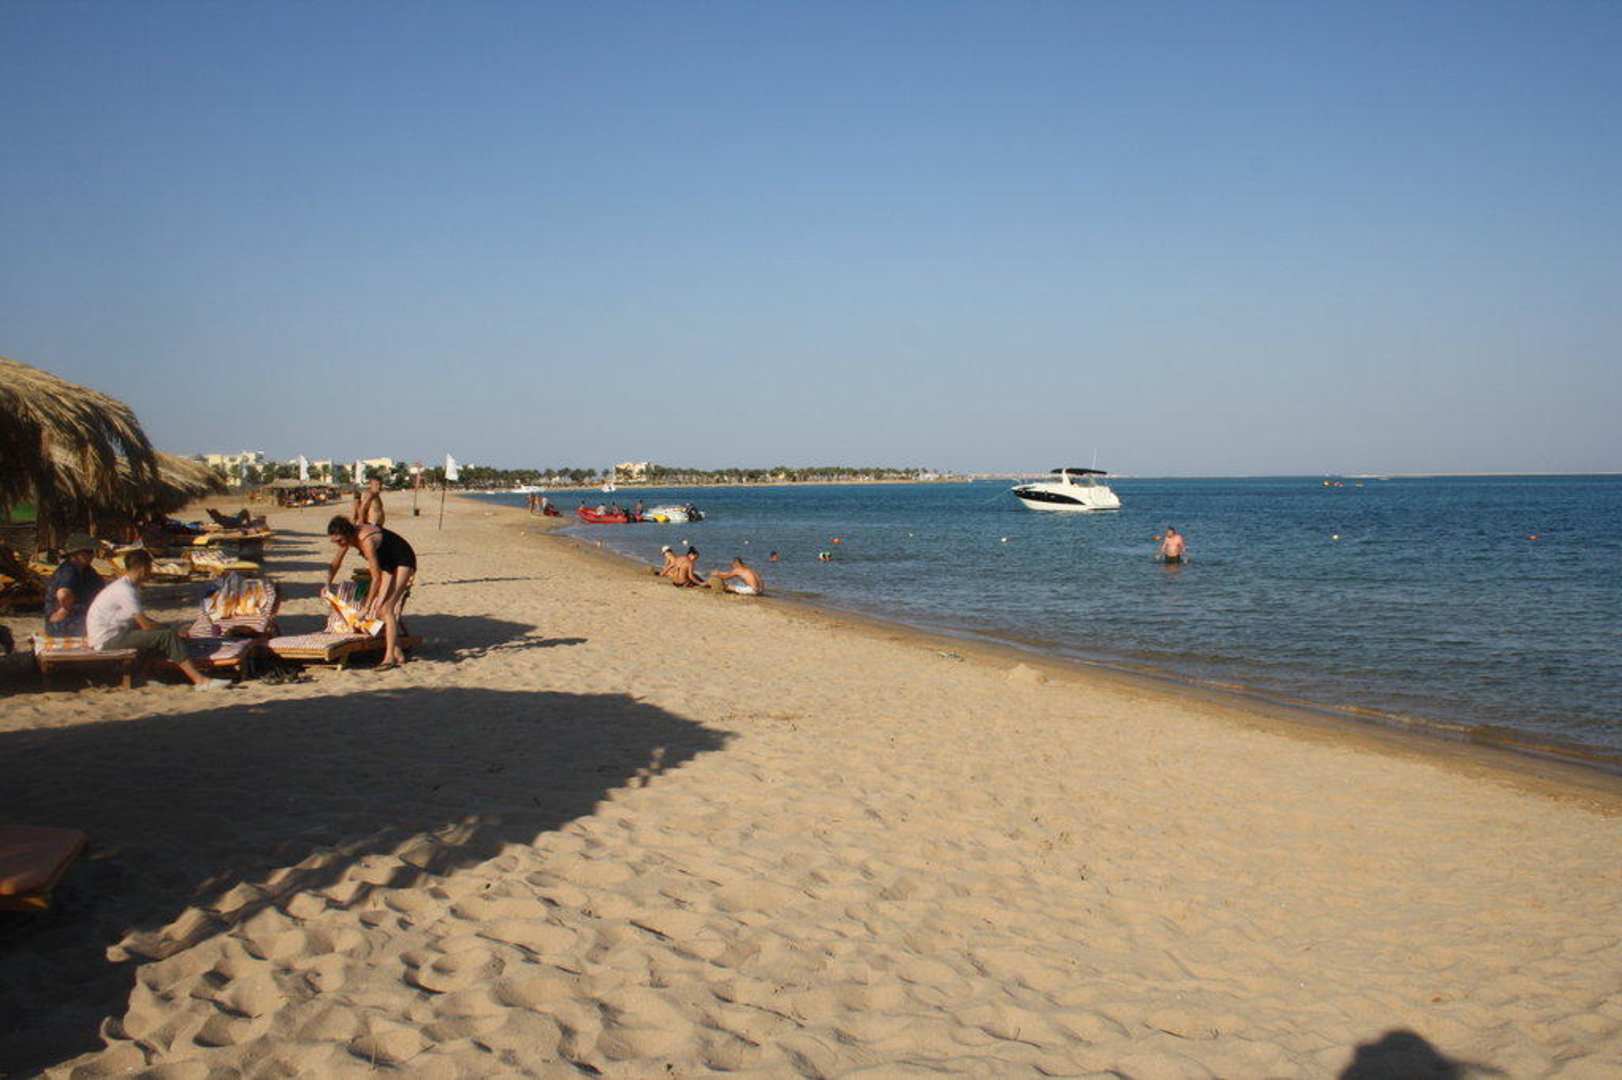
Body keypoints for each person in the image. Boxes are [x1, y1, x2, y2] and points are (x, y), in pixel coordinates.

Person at [86, 550, 230, 691]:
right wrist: (171, 632)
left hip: (113, 634)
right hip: (107, 640)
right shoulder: (125, 591)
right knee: (166, 636)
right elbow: (146, 625)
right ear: (143, 569)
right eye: (150, 568)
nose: (151, 572)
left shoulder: (127, 586)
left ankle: (145, 676)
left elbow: (139, 619)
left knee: (165, 633)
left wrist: (170, 628)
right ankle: (200, 680)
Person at [326, 515, 416, 669]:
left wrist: (366, 608)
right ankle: (398, 652)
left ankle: (389, 658)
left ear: (347, 533)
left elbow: (376, 578)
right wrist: (327, 584)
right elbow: (336, 562)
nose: (340, 544)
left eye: (340, 540)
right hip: (387, 563)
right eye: (336, 542)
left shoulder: (366, 541)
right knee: (380, 612)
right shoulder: (347, 539)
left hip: (403, 559)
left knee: (387, 609)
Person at [43, 533, 104, 638]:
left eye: (92, 552)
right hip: (66, 623)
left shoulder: (87, 570)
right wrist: (65, 609)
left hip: (81, 617)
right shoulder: (69, 571)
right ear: (74, 554)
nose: (92, 555)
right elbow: (63, 593)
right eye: (88, 552)